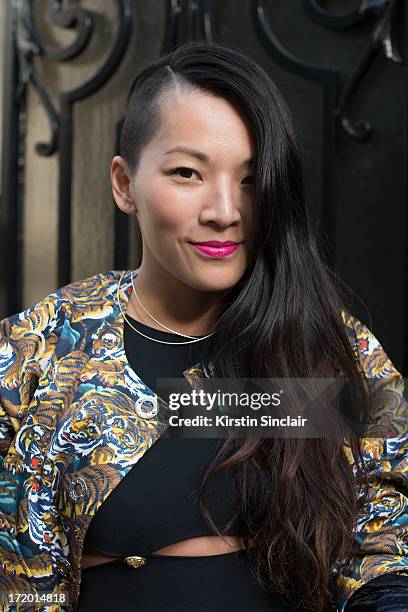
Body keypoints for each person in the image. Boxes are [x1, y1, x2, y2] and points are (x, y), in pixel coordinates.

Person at [0, 41, 407, 612]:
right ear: (124, 184)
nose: (224, 210)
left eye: (249, 177)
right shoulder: (45, 350)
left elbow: (383, 507)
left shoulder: (320, 343)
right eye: (188, 172)